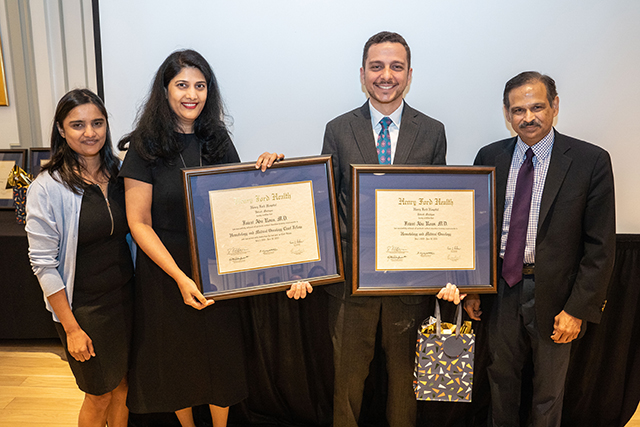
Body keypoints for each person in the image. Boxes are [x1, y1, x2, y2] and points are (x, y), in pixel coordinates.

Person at [117, 49, 311, 427]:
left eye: (200, 86)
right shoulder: (145, 145)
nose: (192, 94)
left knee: (221, 358)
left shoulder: (217, 138)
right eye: (182, 85)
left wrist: (269, 171)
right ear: (165, 90)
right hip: (166, 271)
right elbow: (138, 222)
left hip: (217, 268)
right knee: (178, 360)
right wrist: (180, 278)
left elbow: (240, 201)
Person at [464, 71, 616, 426]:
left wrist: (577, 309)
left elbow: (600, 245)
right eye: (518, 110)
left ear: (554, 106)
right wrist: (473, 286)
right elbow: (477, 230)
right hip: (502, 289)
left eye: (537, 107)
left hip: (557, 296)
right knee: (500, 379)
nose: (528, 117)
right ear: (507, 113)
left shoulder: (590, 160)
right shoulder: (490, 156)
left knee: (548, 390)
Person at [321, 31, 448, 427]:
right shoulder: (338, 128)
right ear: (363, 74)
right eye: (376, 67)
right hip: (350, 285)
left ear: (409, 74)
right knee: (346, 383)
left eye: (396, 67)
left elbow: (441, 210)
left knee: (406, 384)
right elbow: (327, 202)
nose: (386, 76)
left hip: (409, 285)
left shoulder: (432, 131)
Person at [25, 89, 133, 427]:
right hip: (85, 310)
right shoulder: (47, 187)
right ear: (61, 129)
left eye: (97, 123)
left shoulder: (120, 173)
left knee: (123, 387)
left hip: (127, 300)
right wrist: (71, 328)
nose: (90, 132)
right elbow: (43, 264)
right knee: (98, 395)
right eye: (78, 125)